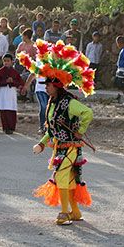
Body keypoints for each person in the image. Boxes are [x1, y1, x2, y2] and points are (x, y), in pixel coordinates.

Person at [20, 40, 95, 226]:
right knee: (68, 179)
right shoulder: (51, 104)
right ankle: (75, 212)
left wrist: (80, 130)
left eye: (48, 85)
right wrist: (42, 143)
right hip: (60, 148)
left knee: (61, 176)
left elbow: (88, 112)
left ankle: (64, 213)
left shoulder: (69, 103)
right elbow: (51, 129)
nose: (45, 87)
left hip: (71, 147)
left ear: (56, 86)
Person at [0, 54, 24, 134]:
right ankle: (5, 127)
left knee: (11, 110)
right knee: (4, 110)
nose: (6, 63)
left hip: (11, 93)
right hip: (3, 92)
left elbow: (20, 82)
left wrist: (13, 81)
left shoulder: (15, 72)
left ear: (12, 62)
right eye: (5, 61)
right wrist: (5, 81)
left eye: (8, 61)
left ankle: (11, 127)